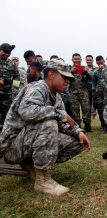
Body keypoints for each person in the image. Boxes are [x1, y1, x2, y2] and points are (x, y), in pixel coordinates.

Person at [0, 59, 91, 196]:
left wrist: (78, 132)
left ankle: (31, 165)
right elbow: (27, 111)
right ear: (51, 74)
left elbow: (63, 121)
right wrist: (59, 114)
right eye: (64, 77)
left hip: (26, 143)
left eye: (69, 79)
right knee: (49, 123)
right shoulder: (37, 88)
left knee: (77, 142)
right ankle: (43, 180)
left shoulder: (57, 96)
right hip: (11, 148)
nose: (68, 81)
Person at [69, 53, 92, 132]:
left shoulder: (85, 68)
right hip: (73, 92)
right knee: (75, 110)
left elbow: (91, 79)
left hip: (84, 91)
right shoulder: (68, 68)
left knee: (86, 109)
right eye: (75, 59)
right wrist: (71, 72)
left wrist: (85, 72)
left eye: (78, 58)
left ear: (81, 59)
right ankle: (78, 125)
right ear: (72, 59)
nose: (76, 60)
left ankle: (87, 125)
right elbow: (65, 79)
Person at [0, 43, 19, 130]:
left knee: (7, 117)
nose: (7, 54)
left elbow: (16, 76)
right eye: (5, 52)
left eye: (9, 52)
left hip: (7, 95)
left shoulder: (12, 64)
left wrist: (15, 89)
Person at [92, 55, 107, 131]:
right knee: (100, 110)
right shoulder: (96, 71)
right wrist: (94, 91)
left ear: (104, 61)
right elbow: (93, 82)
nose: (100, 64)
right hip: (99, 93)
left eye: (101, 62)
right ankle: (103, 125)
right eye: (98, 63)